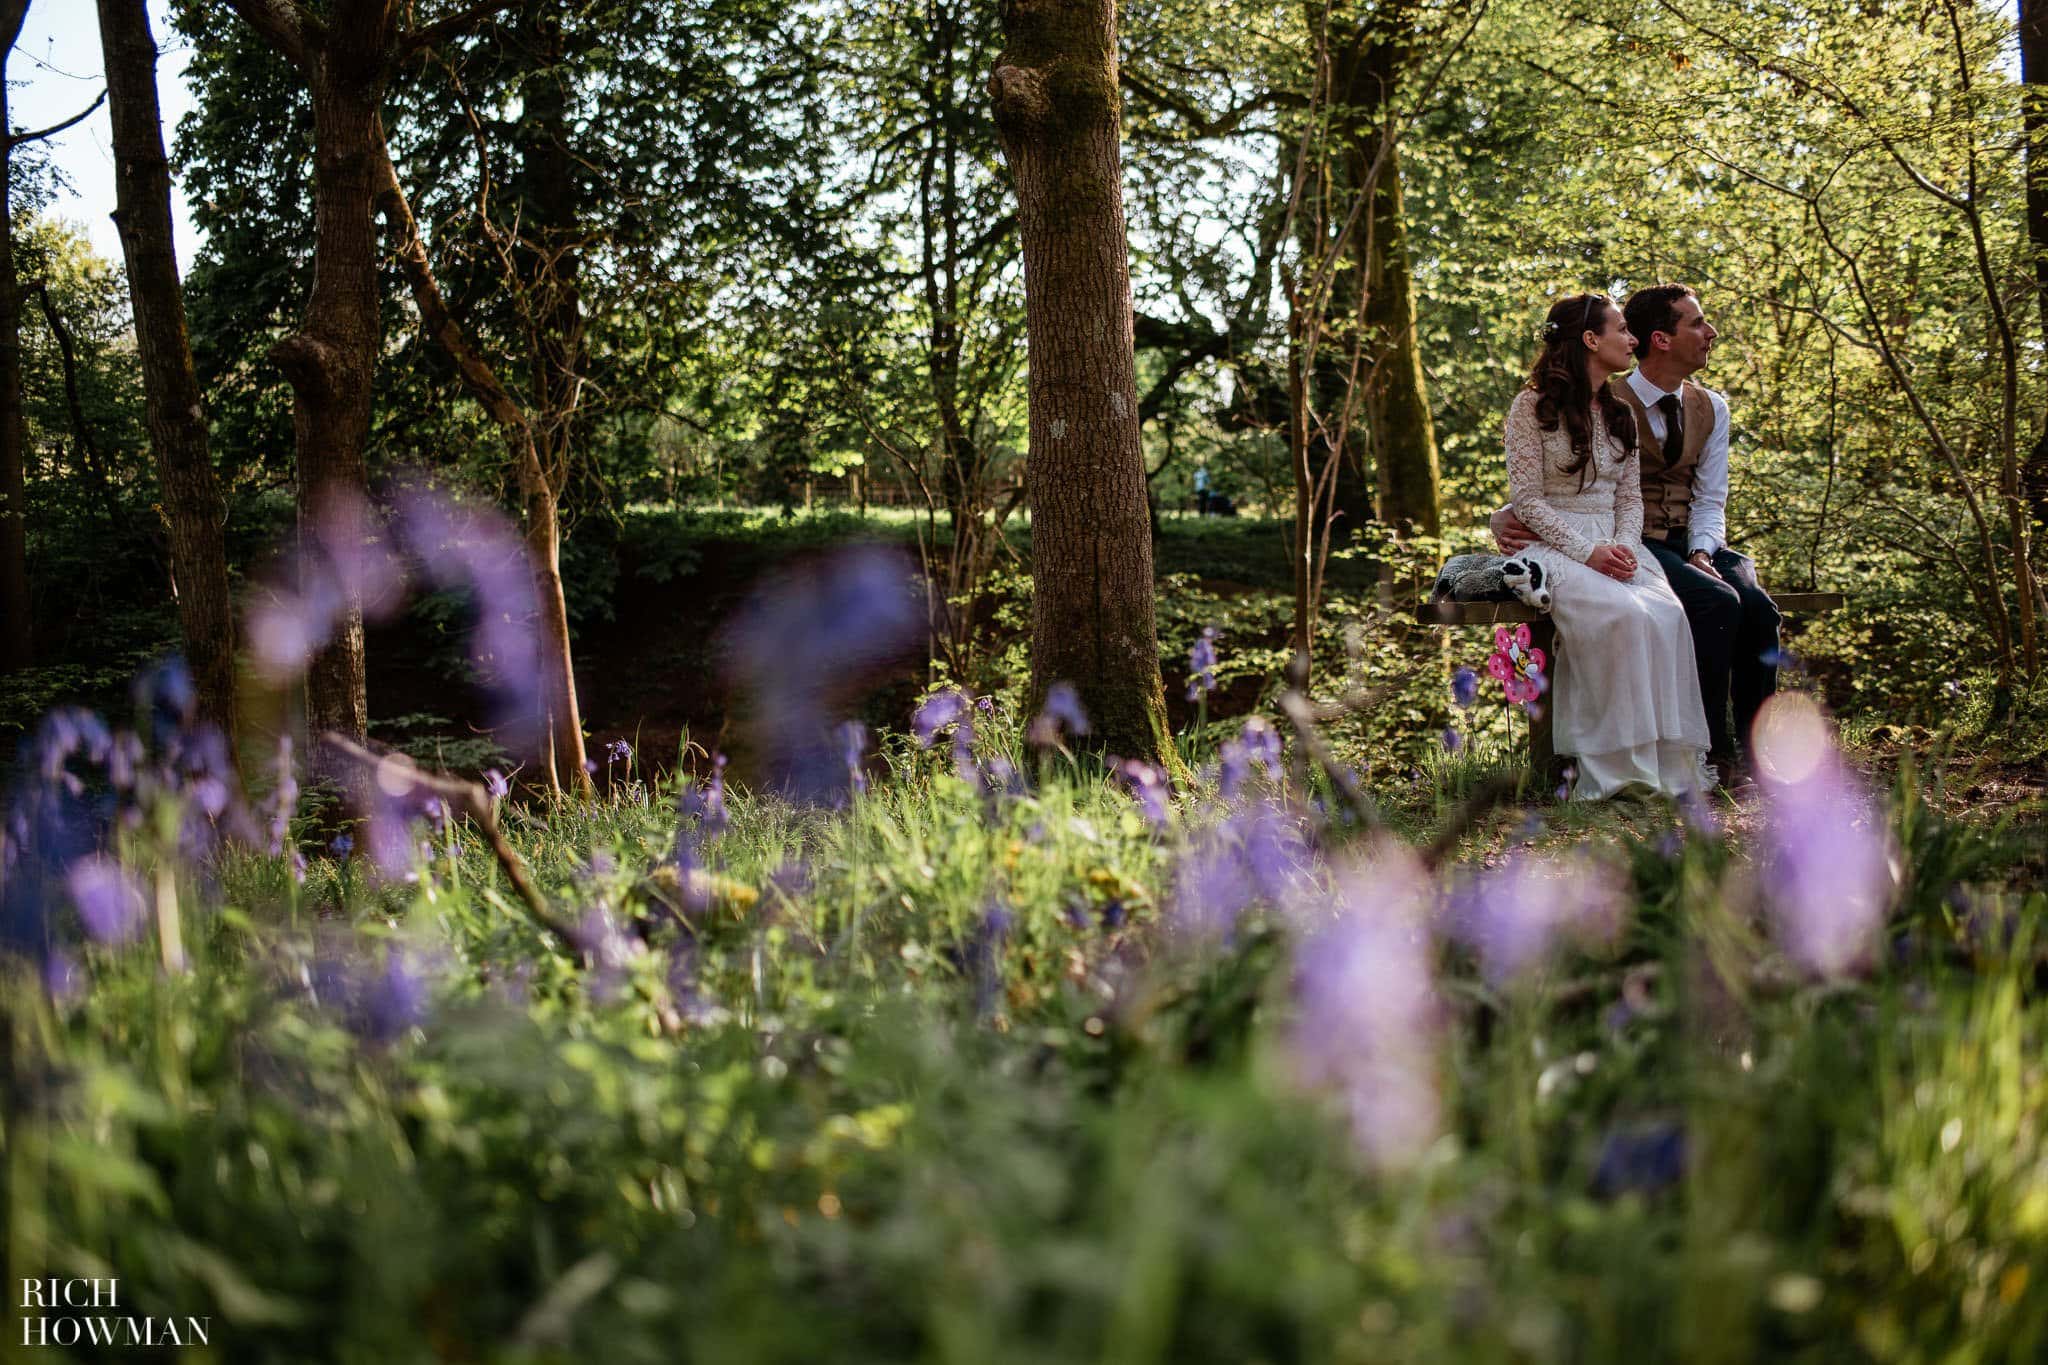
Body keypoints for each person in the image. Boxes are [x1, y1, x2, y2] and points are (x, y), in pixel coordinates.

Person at [1495, 284, 1780, 786]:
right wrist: (1509, 517)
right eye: (1697, 323)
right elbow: (1538, 491)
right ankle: (1697, 754)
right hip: (1619, 541)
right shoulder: (1570, 401)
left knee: (1754, 608)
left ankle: (1748, 754)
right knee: (1703, 604)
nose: (1710, 332)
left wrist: (1694, 549)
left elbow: (1701, 499)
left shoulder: (1698, 407)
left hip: (1666, 540)